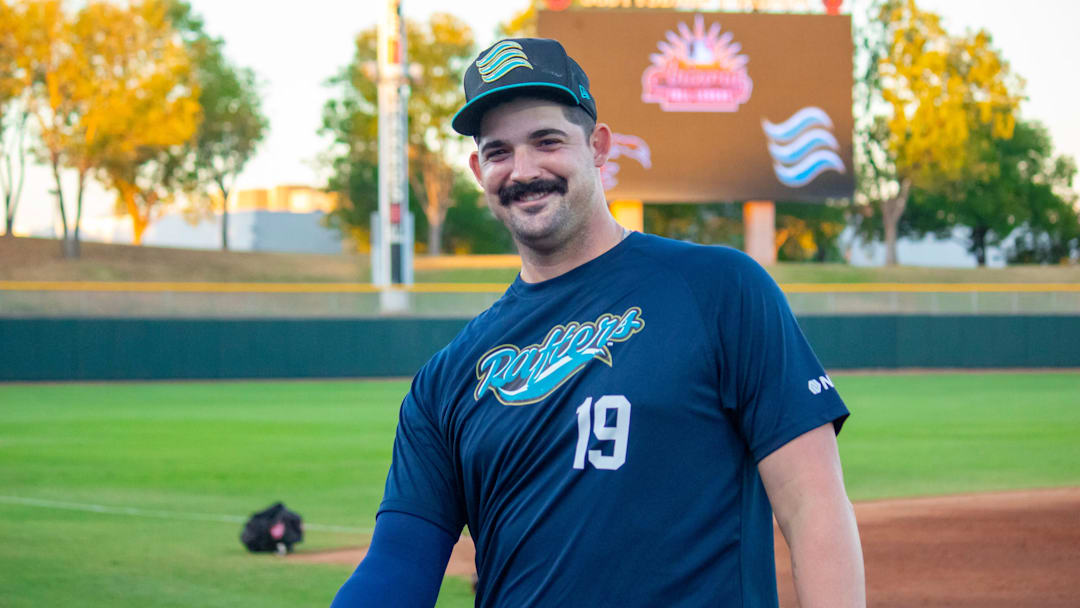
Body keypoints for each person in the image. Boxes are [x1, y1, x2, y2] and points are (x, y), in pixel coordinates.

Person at [332, 37, 865, 608]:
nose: (524, 170)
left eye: (547, 141)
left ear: (598, 147)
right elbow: (397, 567)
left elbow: (813, 507)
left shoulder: (720, 290)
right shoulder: (447, 380)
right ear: (477, 169)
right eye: (499, 151)